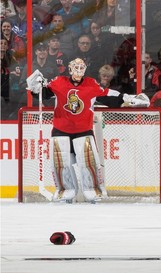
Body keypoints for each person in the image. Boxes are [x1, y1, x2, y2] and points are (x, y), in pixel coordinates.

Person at [25, 58, 147, 203]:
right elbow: (43, 94)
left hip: (83, 130)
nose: (78, 71)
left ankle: (92, 190)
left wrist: (130, 99)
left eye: (81, 67)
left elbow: (109, 94)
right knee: (60, 161)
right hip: (60, 129)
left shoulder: (91, 84)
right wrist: (35, 86)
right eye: (75, 67)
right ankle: (65, 190)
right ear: (70, 69)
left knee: (88, 161)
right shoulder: (58, 81)